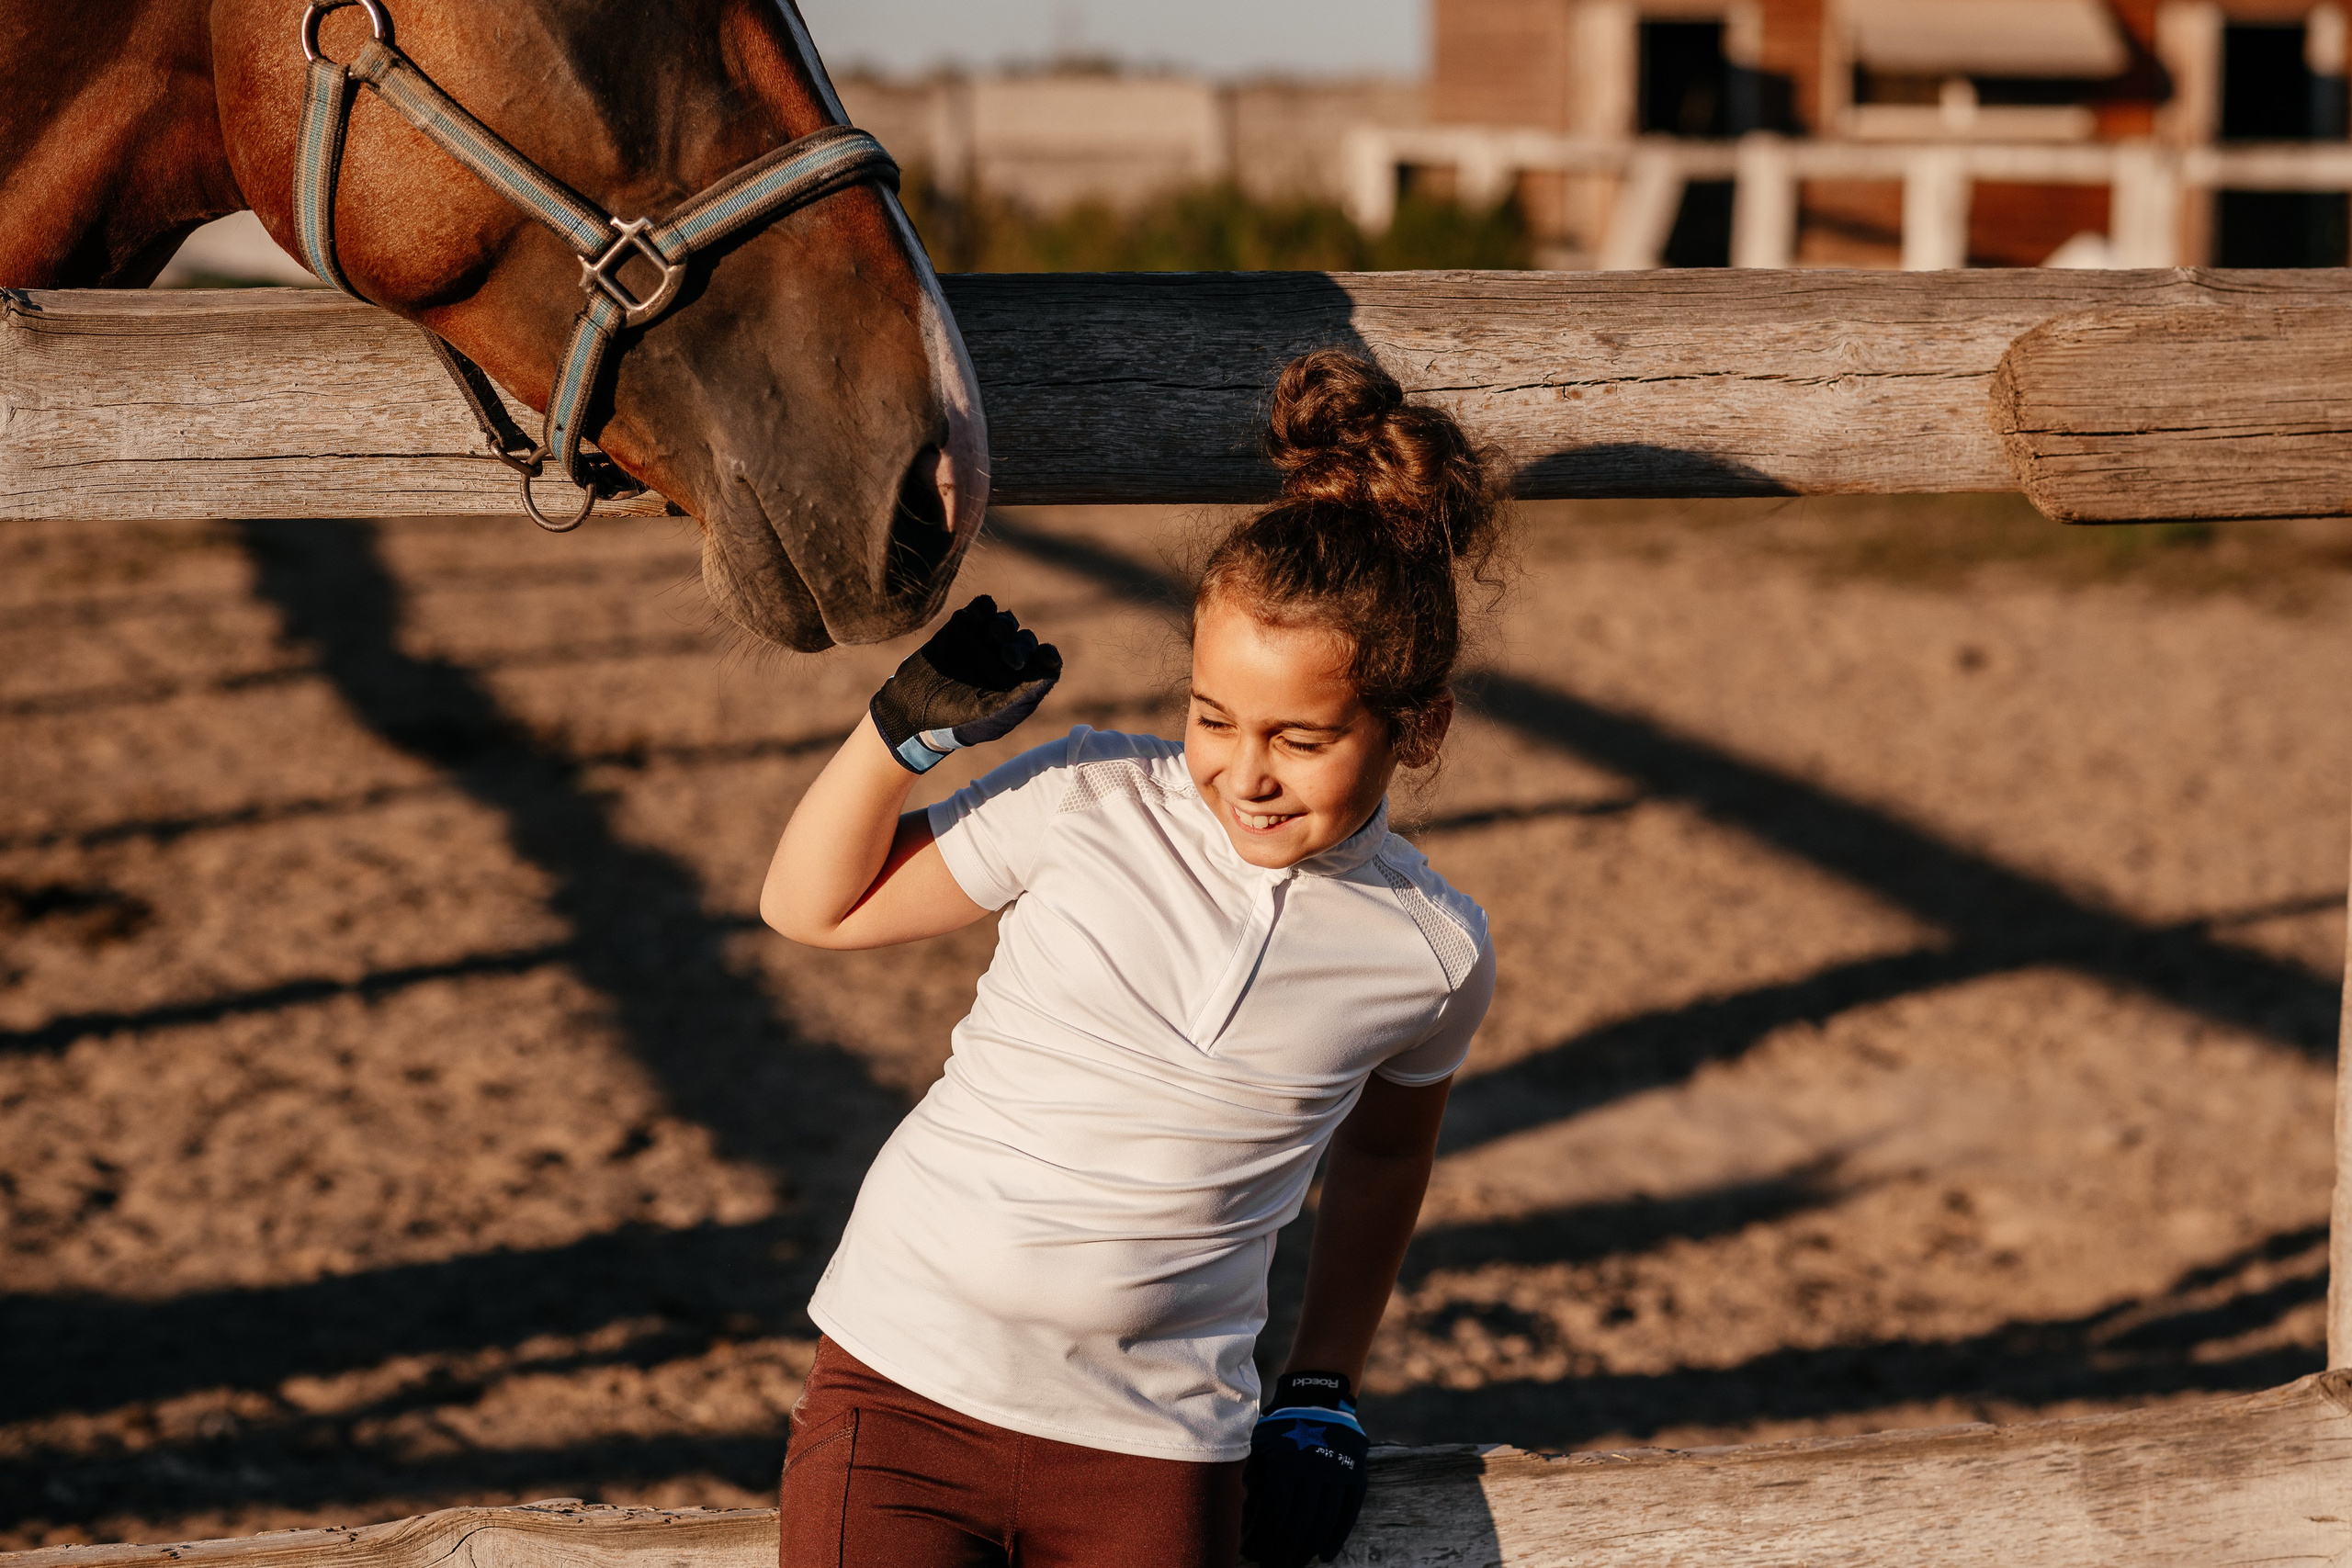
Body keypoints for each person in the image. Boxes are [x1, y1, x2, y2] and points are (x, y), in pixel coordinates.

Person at [762, 349, 1506, 1568]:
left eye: (1301, 738)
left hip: (1156, 1438)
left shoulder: (1428, 951)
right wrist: (897, 738)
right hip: (902, 1384)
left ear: (1418, 729)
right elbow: (813, 908)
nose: (1245, 772)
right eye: (1213, 717)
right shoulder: (1088, 796)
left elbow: (1382, 1161)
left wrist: (1322, 1387)